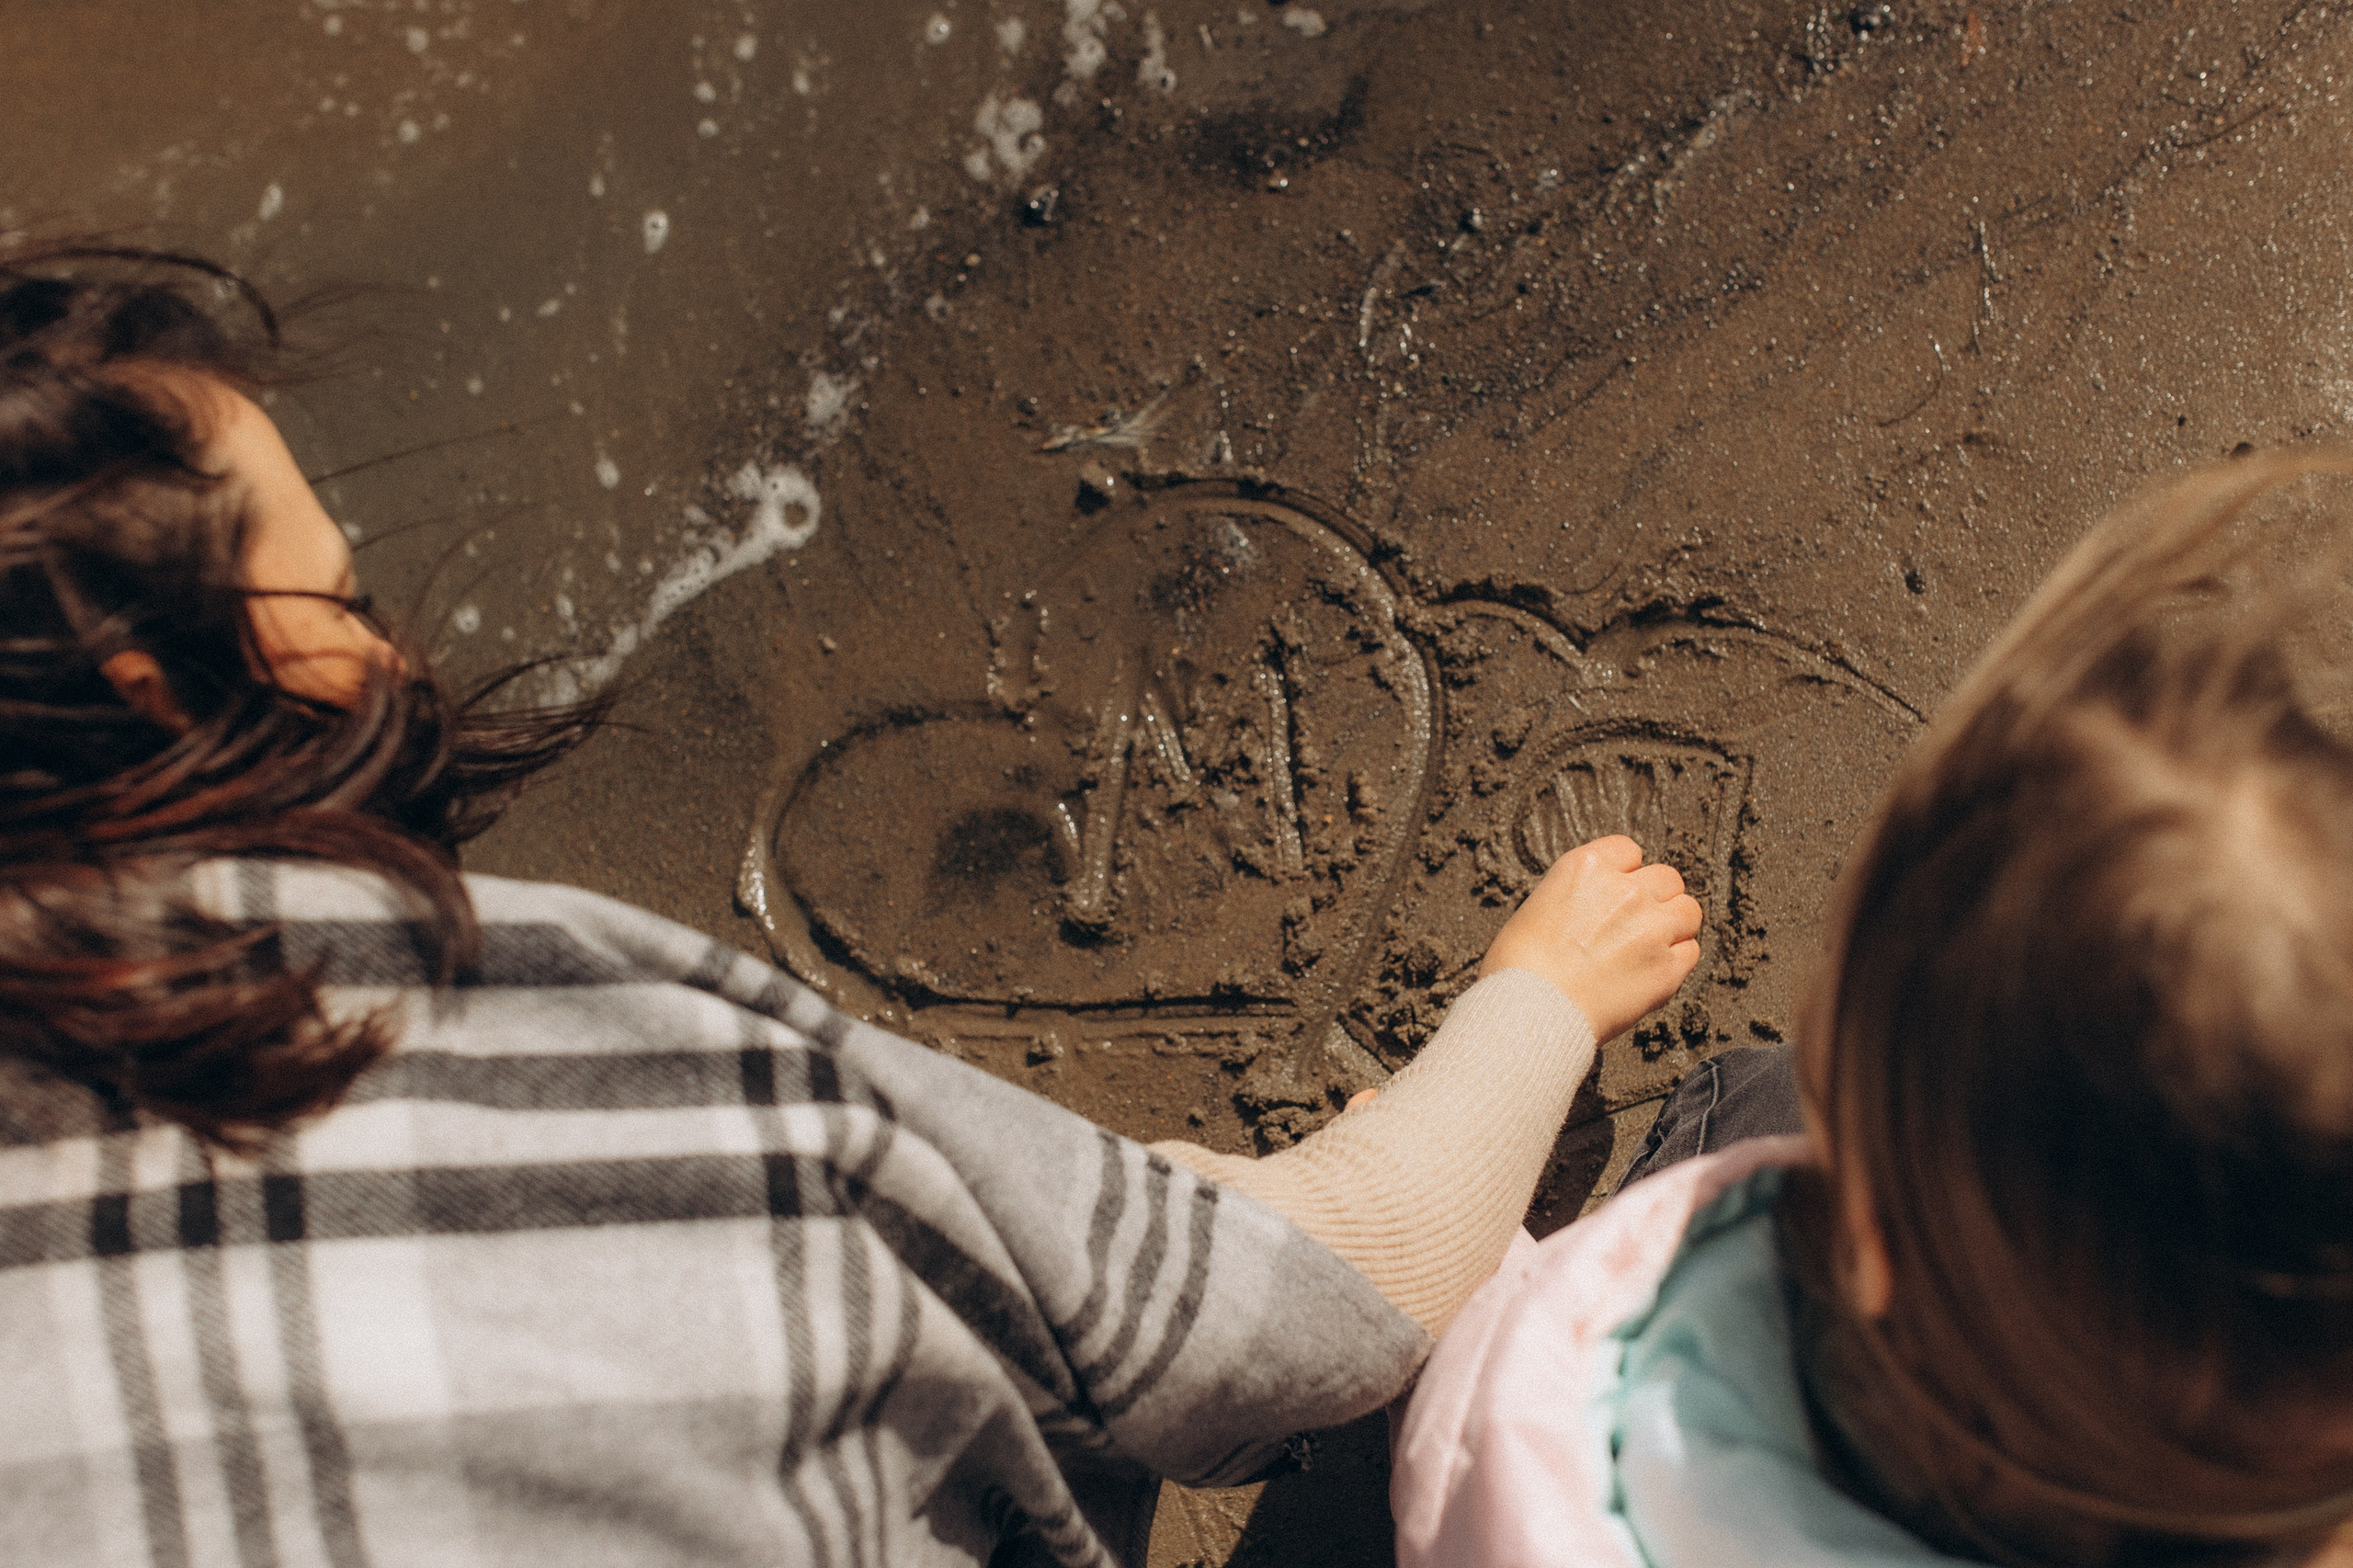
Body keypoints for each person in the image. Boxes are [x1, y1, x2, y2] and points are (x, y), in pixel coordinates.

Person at [0, 249, 1703, 1567]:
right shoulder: (514, 1030)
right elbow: (1320, 1305)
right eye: (336, 593)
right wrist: (1540, 991)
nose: (384, 646)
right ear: (155, 690)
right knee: (1742, 1139)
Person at [1393, 453, 2353, 1566]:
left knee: (1749, 1091)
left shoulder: (1560, 1451)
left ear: (1871, 1249)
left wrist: (1520, 1030)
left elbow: (1476, 1385)